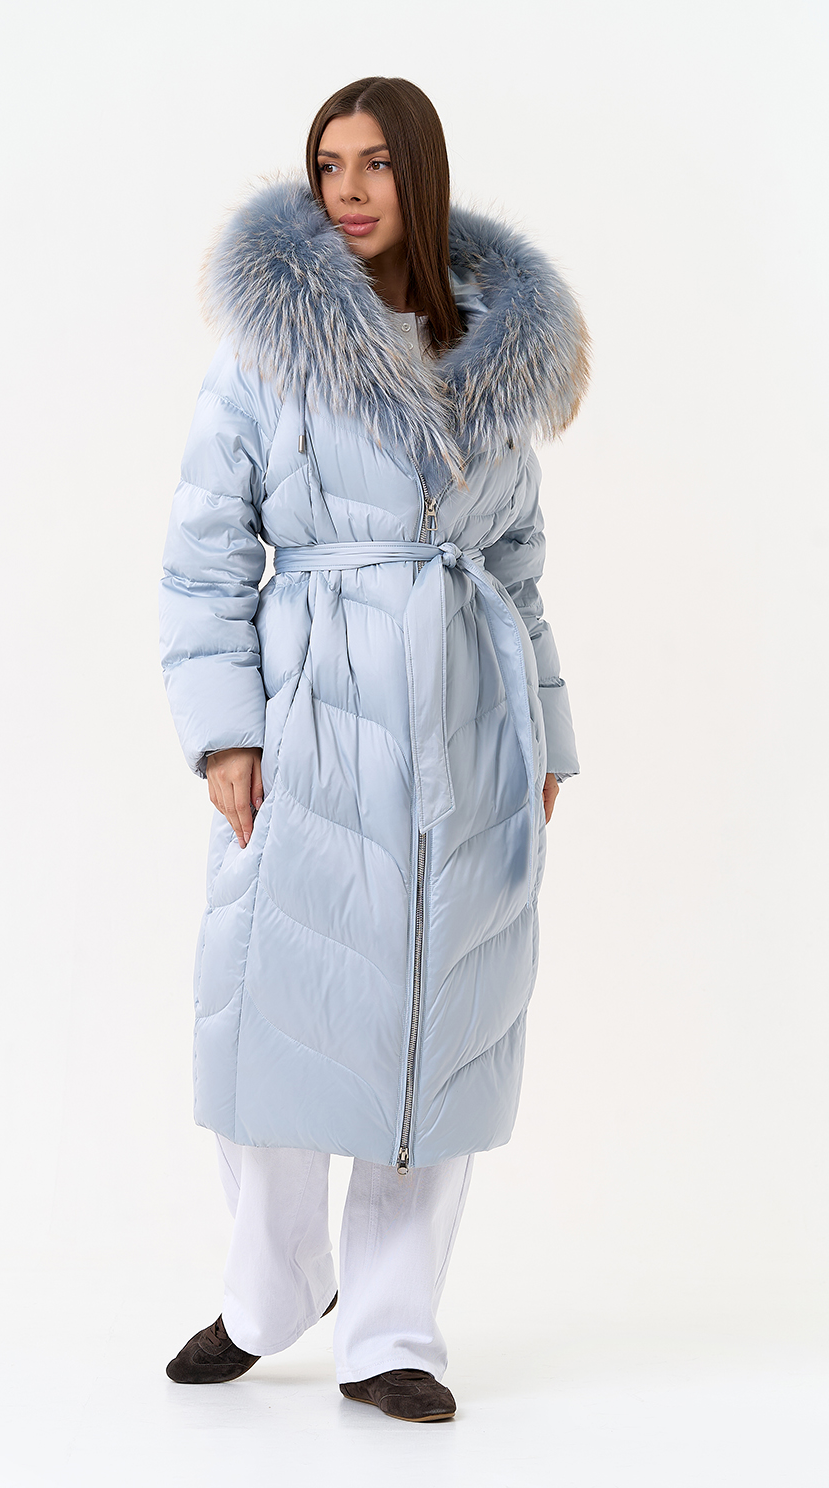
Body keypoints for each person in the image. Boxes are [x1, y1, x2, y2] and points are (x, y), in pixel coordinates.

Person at [158, 76, 589, 1423]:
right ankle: (268, 1294)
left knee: (435, 1028)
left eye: (376, 164)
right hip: (318, 712)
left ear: (423, 174)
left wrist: (546, 734)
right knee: (277, 1008)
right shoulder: (267, 348)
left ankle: (393, 1332)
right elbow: (206, 553)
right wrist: (227, 734)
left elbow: (517, 568)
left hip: (466, 721)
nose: (347, 191)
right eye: (328, 165)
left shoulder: (493, 355)